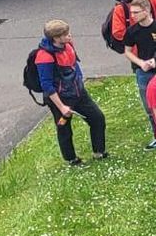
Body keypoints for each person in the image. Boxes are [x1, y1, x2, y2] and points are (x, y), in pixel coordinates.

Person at [32, 20, 108, 166]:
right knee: (63, 127)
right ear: (55, 37)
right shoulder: (44, 57)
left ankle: (99, 151)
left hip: (78, 93)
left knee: (97, 118)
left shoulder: (68, 45)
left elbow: (74, 65)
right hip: (60, 99)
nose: (69, 36)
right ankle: (71, 159)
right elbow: (47, 85)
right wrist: (62, 108)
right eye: (65, 34)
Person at [121, 0, 156, 118]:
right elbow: (127, 51)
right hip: (144, 73)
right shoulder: (132, 31)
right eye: (131, 12)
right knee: (150, 110)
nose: (133, 15)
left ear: (146, 11)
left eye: (136, 12)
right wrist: (141, 63)